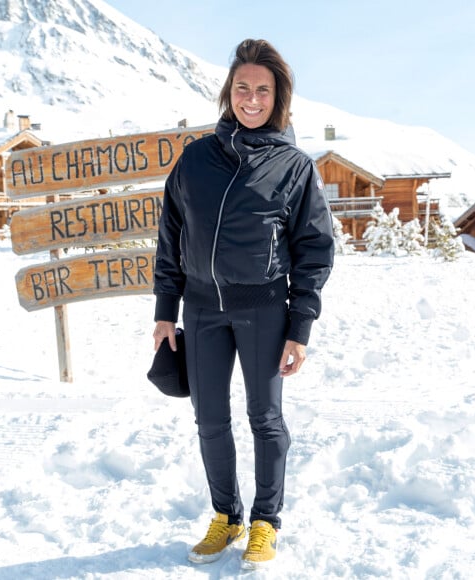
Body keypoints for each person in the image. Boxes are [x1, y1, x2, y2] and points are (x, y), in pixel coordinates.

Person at [152, 38, 334, 569]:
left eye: (262, 90)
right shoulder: (195, 161)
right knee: (208, 418)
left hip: (265, 309)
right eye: (242, 88)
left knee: (265, 417)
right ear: (227, 94)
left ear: (277, 99)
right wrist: (166, 310)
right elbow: (171, 237)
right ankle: (226, 515)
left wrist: (300, 325)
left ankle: (265, 522)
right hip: (202, 309)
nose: (251, 99)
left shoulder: (294, 167)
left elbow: (314, 250)